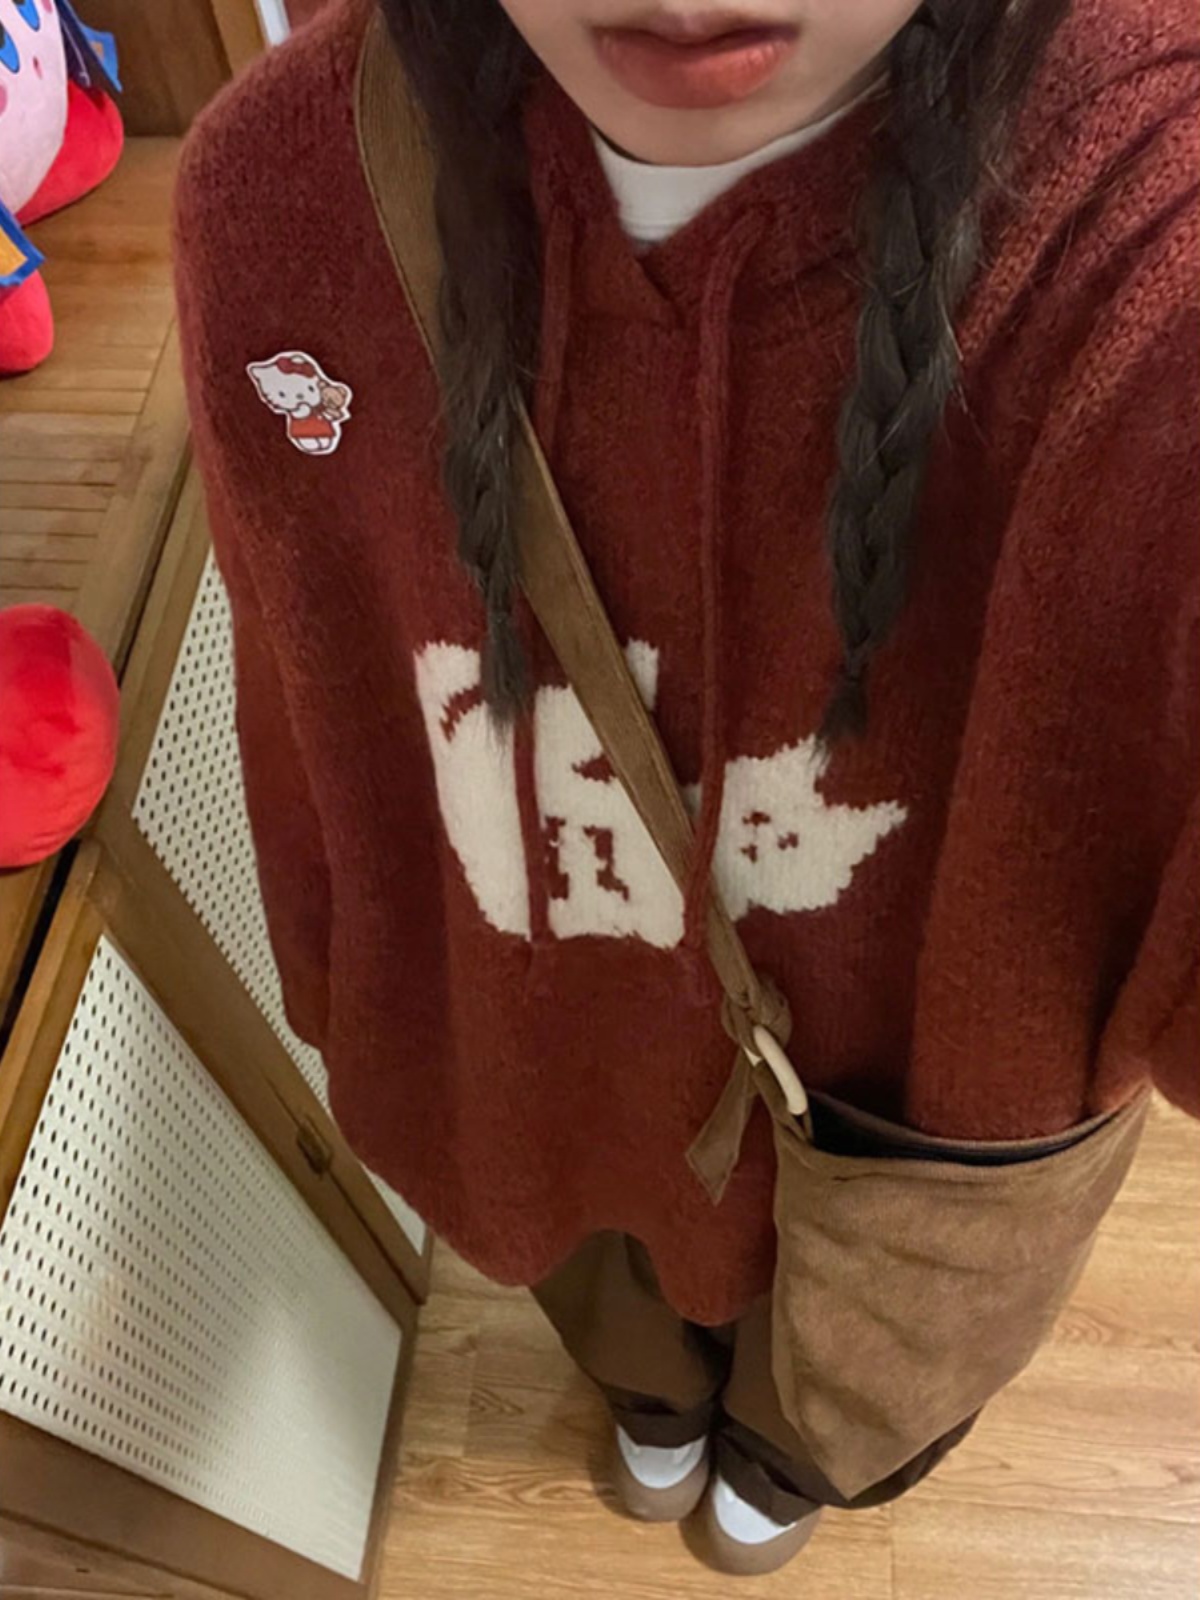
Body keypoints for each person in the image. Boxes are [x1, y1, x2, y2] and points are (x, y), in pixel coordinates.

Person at [174, 0, 1199, 1575]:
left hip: (907, 1145)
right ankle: (656, 1409)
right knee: (602, 1287)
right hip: (531, 1068)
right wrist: (343, 989)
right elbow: (298, 674)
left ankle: (783, 1467)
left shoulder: (1140, 219)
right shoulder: (284, 189)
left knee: (842, 1375)